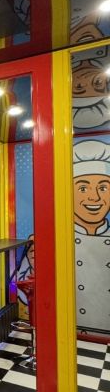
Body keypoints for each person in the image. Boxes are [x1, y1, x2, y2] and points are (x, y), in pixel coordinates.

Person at [73, 139, 110, 334]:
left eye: (103, 188)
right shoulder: (53, 240)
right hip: (72, 330)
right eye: (83, 188)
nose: (94, 197)